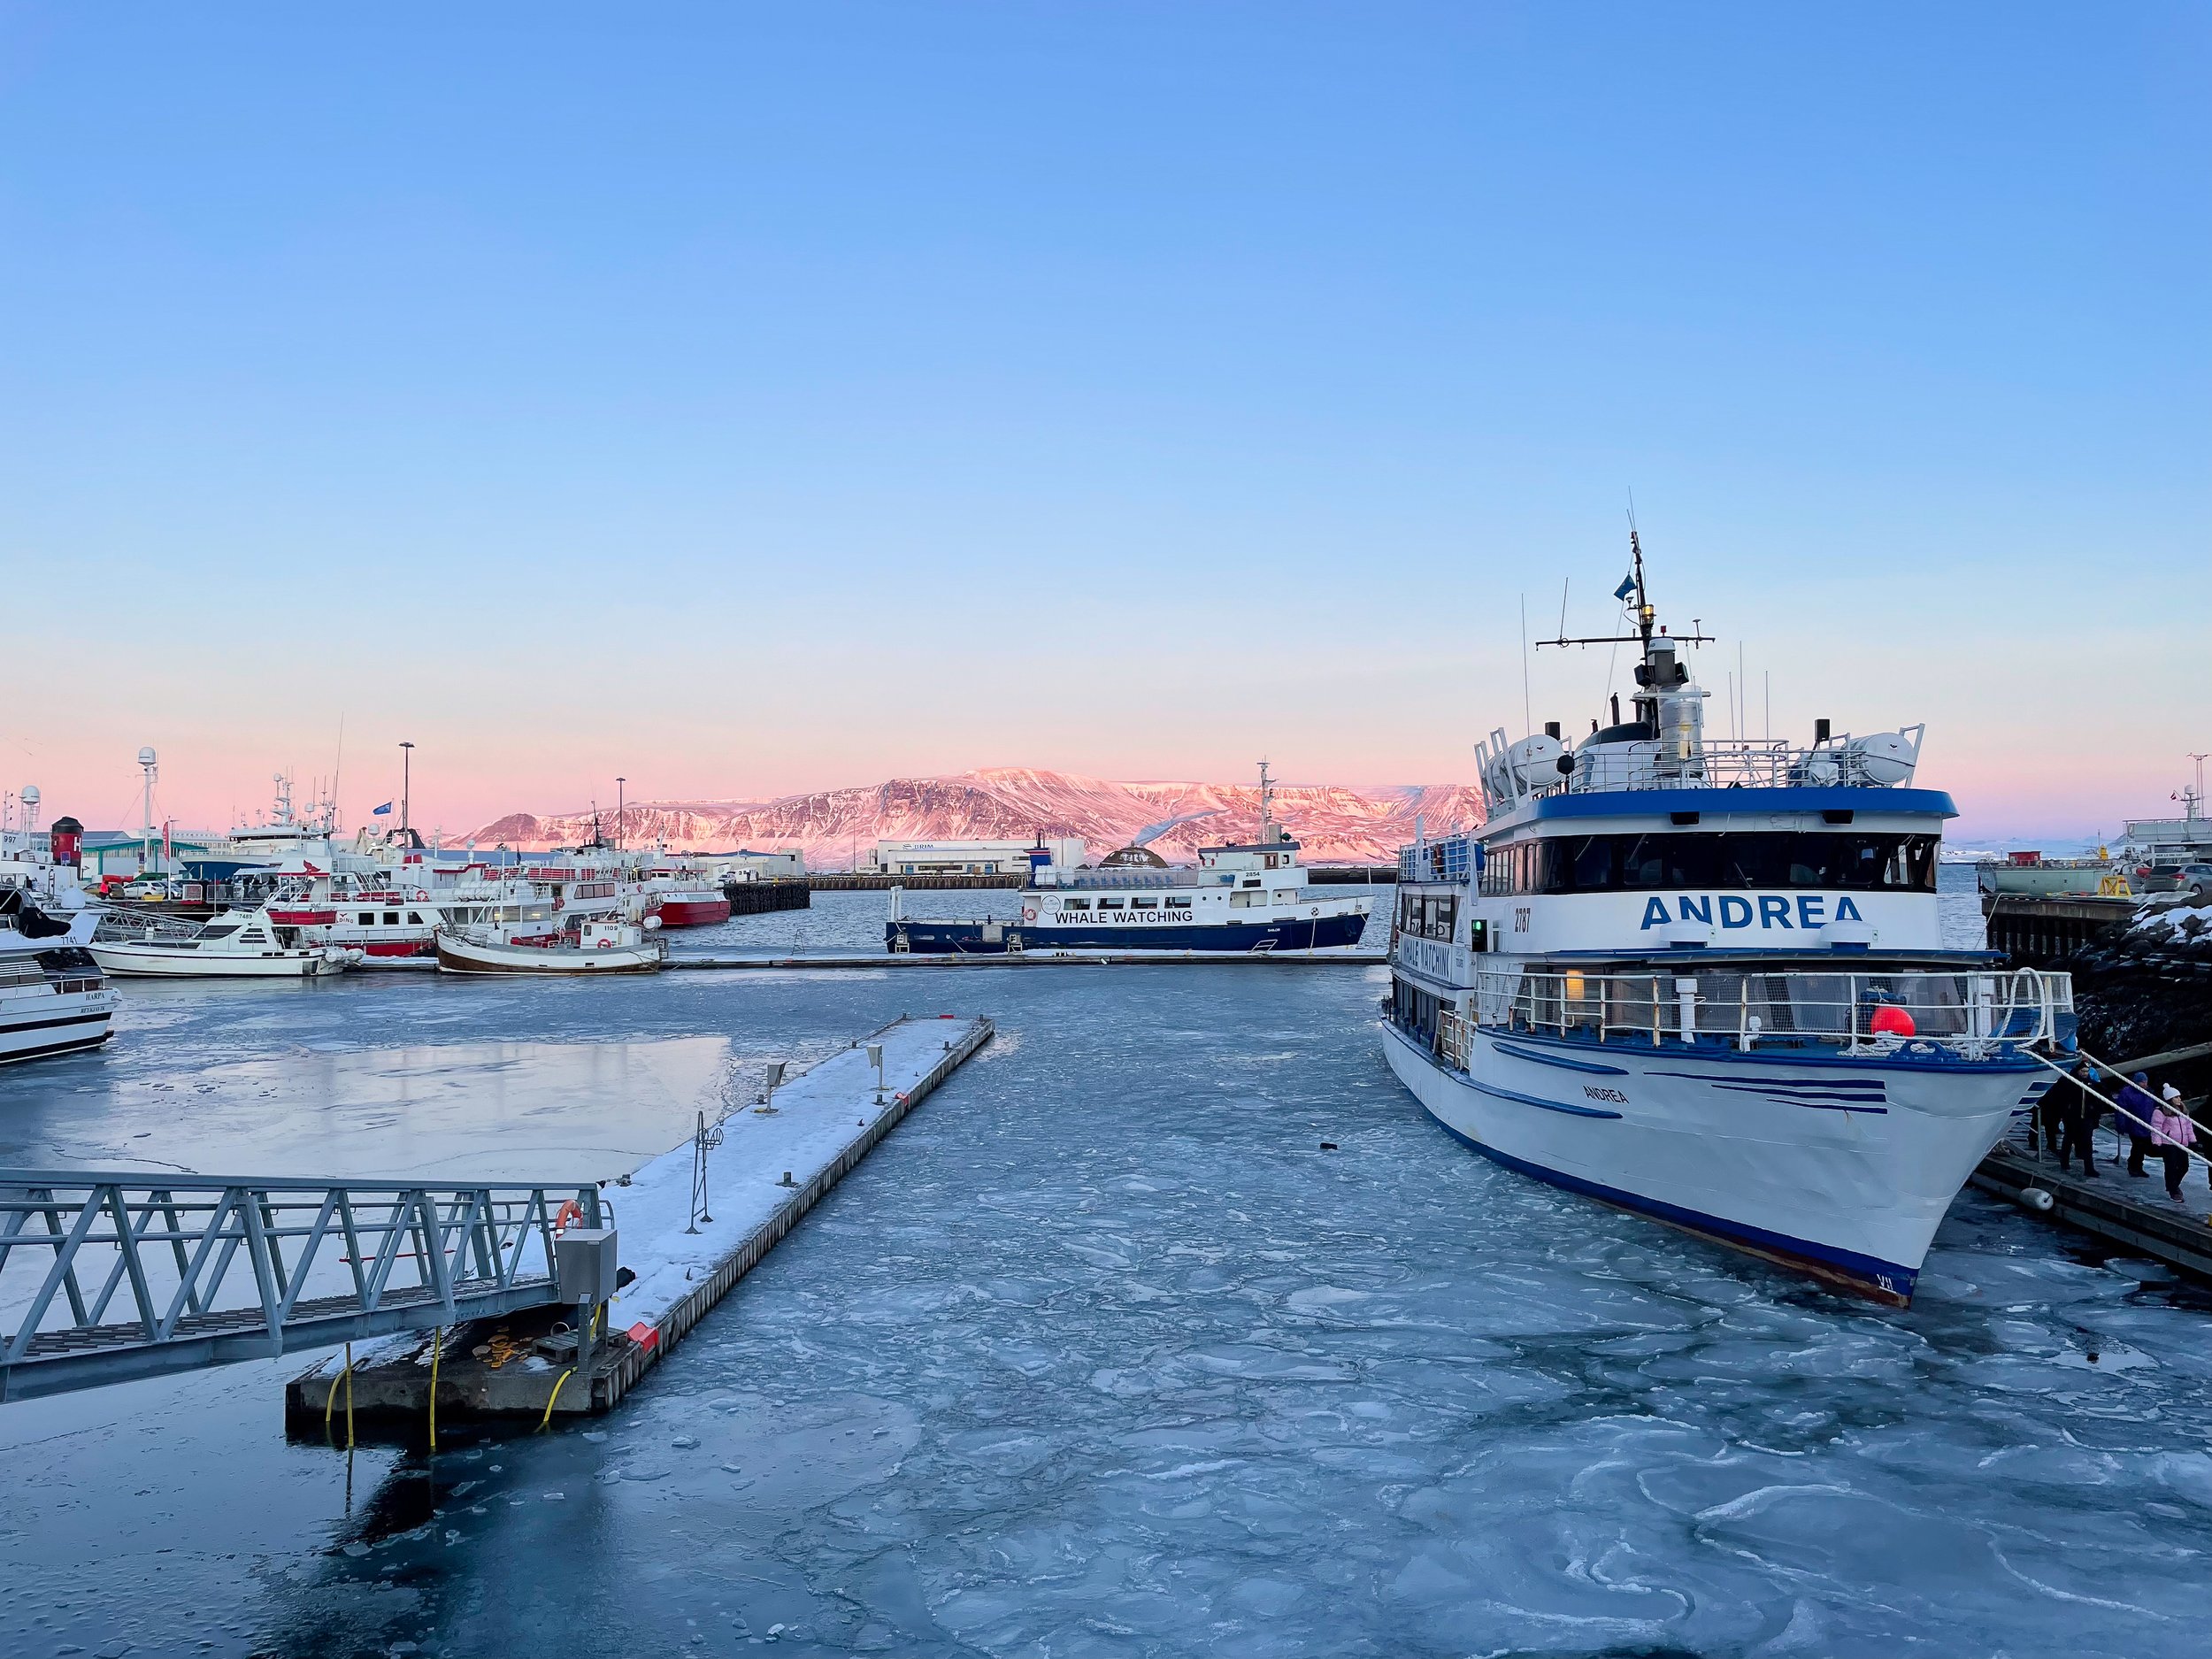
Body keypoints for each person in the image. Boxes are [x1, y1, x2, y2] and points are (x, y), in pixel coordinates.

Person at [2151, 1085, 2199, 1202]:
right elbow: (2156, 1127)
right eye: (2176, 1097)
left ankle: (2173, 1185)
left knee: (2184, 1166)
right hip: (2168, 1143)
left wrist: (2192, 1140)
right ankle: (2174, 1190)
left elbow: (2188, 1127)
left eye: (2179, 1097)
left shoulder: (2183, 1110)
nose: (2179, 1099)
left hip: (2182, 1143)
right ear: (2170, 1099)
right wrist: (2157, 1143)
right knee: (2171, 1167)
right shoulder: (2161, 1111)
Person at [2055, 1059, 2102, 1177]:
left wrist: (2095, 1116)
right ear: (2078, 1071)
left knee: (2087, 1142)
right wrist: (2064, 1112)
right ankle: (2064, 1162)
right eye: (2083, 1071)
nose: (2085, 1073)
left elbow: (2096, 1101)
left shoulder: (2090, 1084)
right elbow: (2061, 1099)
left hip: (2086, 1118)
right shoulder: (2068, 1082)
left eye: (2087, 1071)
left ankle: (2089, 1168)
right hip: (2071, 1117)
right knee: (2068, 1139)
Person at [2116, 1071, 2160, 1178]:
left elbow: (2154, 1106)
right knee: (2138, 1147)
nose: (2145, 1084)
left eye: (2146, 1082)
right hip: (2133, 1124)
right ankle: (2134, 1167)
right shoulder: (2127, 1093)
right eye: (2142, 1082)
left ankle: (2137, 1167)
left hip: (2147, 1125)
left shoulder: (2149, 1092)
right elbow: (2120, 1110)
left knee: (2142, 1147)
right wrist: (2121, 1125)